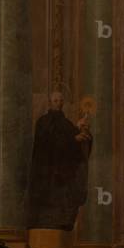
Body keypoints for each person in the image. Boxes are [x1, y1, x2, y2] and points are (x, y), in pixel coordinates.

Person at [26, 92, 92, 231]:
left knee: (63, 202)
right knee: (49, 205)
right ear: (50, 103)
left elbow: (74, 140)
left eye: (61, 100)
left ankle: (62, 221)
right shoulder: (43, 122)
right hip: (47, 170)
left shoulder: (66, 123)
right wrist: (74, 139)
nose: (58, 103)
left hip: (63, 172)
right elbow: (47, 144)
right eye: (55, 100)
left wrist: (81, 129)